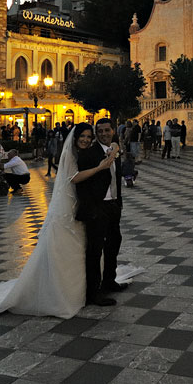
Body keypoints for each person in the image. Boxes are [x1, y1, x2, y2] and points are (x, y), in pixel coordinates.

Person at [0, 123, 92, 317]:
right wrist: (100, 168)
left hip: (78, 203)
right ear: (75, 138)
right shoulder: (69, 155)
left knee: (78, 242)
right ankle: (60, 289)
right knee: (62, 241)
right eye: (83, 136)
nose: (86, 139)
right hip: (66, 204)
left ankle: (80, 285)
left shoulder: (82, 153)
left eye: (89, 137)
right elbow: (73, 178)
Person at [74, 119, 122, 306]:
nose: (104, 134)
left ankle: (109, 280)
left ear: (113, 131)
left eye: (107, 130)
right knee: (95, 250)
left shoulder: (114, 151)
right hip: (97, 208)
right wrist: (92, 209)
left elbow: (116, 178)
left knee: (114, 243)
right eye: (100, 131)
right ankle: (93, 292)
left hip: (113, 205)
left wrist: (118, 203)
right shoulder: (89, 154)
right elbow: (81, 185)